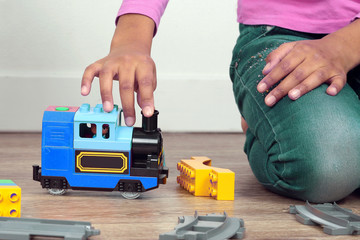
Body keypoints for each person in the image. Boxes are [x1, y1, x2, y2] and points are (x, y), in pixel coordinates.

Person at [81, 0, 360, 203]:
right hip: (283, 35)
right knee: (329, 169)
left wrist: (344, 47)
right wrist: (131, 40)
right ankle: (274, 134)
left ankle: (281, 124)